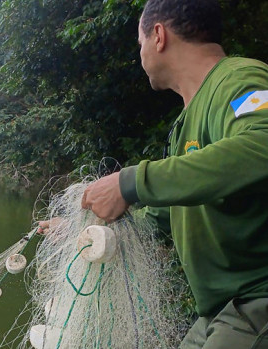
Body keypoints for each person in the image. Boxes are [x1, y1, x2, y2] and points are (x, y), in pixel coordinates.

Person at [50, 0, 268, 347]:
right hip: (216, 312)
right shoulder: (185, 126)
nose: (140, 54)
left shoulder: (239, 80)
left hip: (256, 301)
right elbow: (169, 216)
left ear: (158, 36)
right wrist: (84, 233)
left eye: (139, 43)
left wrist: (131, 181)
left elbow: (261, 146)